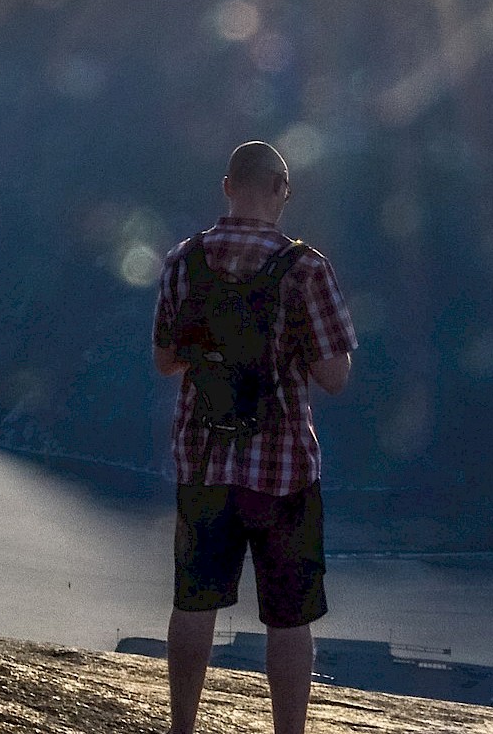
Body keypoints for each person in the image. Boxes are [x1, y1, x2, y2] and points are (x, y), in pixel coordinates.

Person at [152, 141, 356, 734]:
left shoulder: (183, 261)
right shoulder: (307, 268)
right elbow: (334, 377)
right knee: (290, 619)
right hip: (283, 469)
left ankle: (183, 727)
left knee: (193, 603)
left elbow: (166, 360)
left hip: (203, 457)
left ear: (226, 186)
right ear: (280, 192)